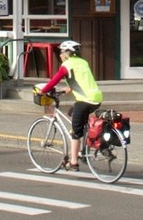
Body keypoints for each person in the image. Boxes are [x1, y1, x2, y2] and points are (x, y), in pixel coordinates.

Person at [35, 39, 103, 172]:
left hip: (85, 100)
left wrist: (42, 91)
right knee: (73, 113)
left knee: (75, 133)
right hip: (96, 98)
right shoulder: (83, 62)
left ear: (67, 53)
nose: (60, 54)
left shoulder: (67, 65)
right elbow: (83, 80)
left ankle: (73, 163)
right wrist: (69, 88)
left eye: (61, 52)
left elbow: (54, 80)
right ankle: (82, 148)